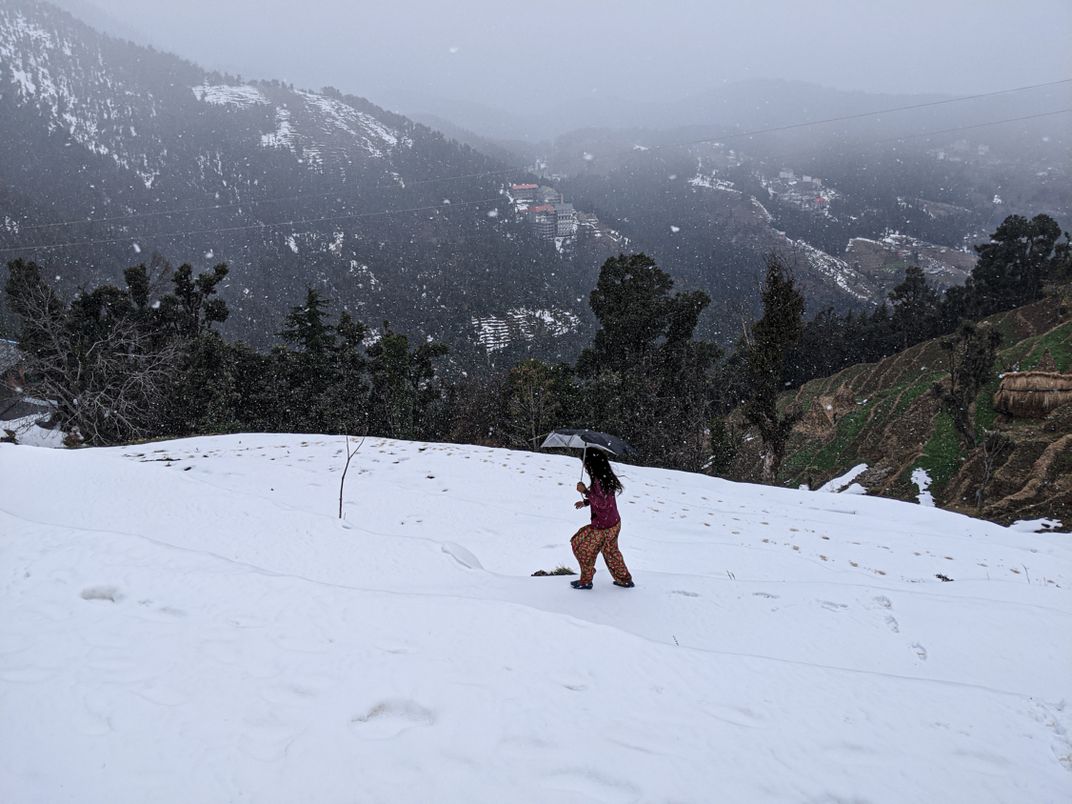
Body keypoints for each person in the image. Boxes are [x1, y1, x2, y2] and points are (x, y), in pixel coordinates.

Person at [569, 449, 634, 590]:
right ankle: (625, 580)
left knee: (580, 547)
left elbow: (603, 502)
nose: (584, 466)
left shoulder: (599, 480)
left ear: (592, 464)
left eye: (585, 463)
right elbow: (604, 499)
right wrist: (586, 502)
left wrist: (585, 492)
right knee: (611, 552)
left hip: (603, 526)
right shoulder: (604, 477)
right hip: (613, 523)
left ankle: (586, 581)